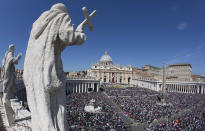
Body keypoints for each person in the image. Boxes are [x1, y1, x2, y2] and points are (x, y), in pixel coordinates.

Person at [24, 3, 86, 131]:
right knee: (57, 106)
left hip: (33, 71)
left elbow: (56, 45)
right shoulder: (62, 16)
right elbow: (68, 37)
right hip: (49, 71)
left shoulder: (39, 23)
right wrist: (80, 34)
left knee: (41, 107)